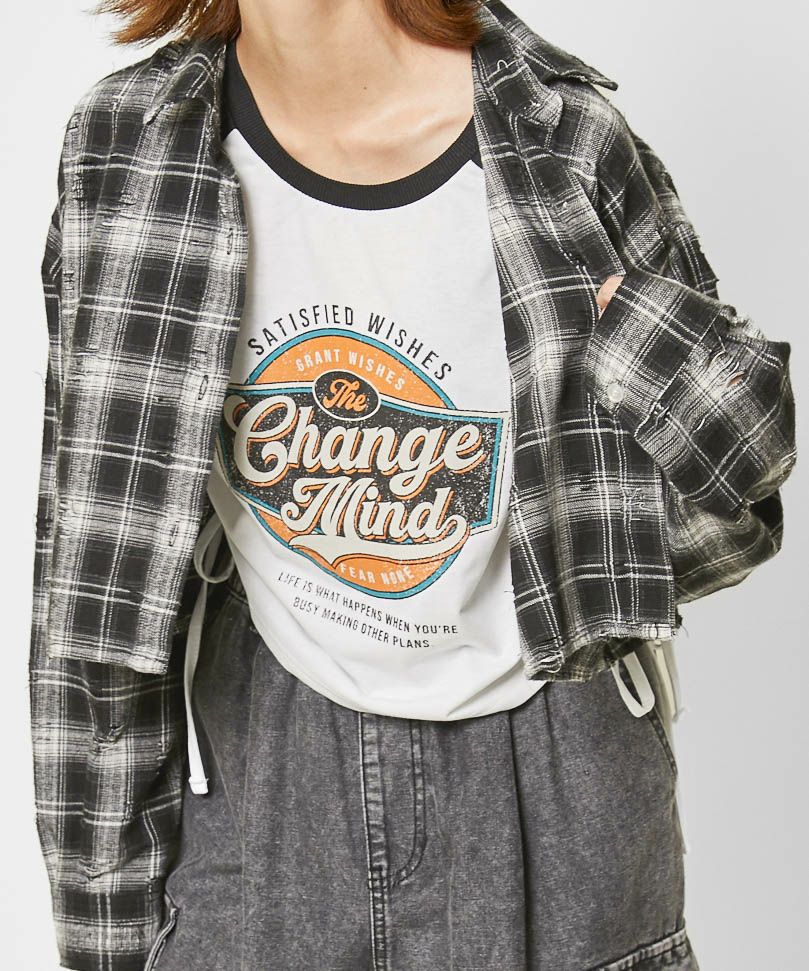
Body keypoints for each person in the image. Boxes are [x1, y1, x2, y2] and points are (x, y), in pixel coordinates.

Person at [28, 0, 796, 969]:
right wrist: (103, 917)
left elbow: (730, 513)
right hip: (266, 760)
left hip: (552, 755)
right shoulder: (130, 148)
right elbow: (91, 581)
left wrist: (644, 353)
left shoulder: (560, 143)